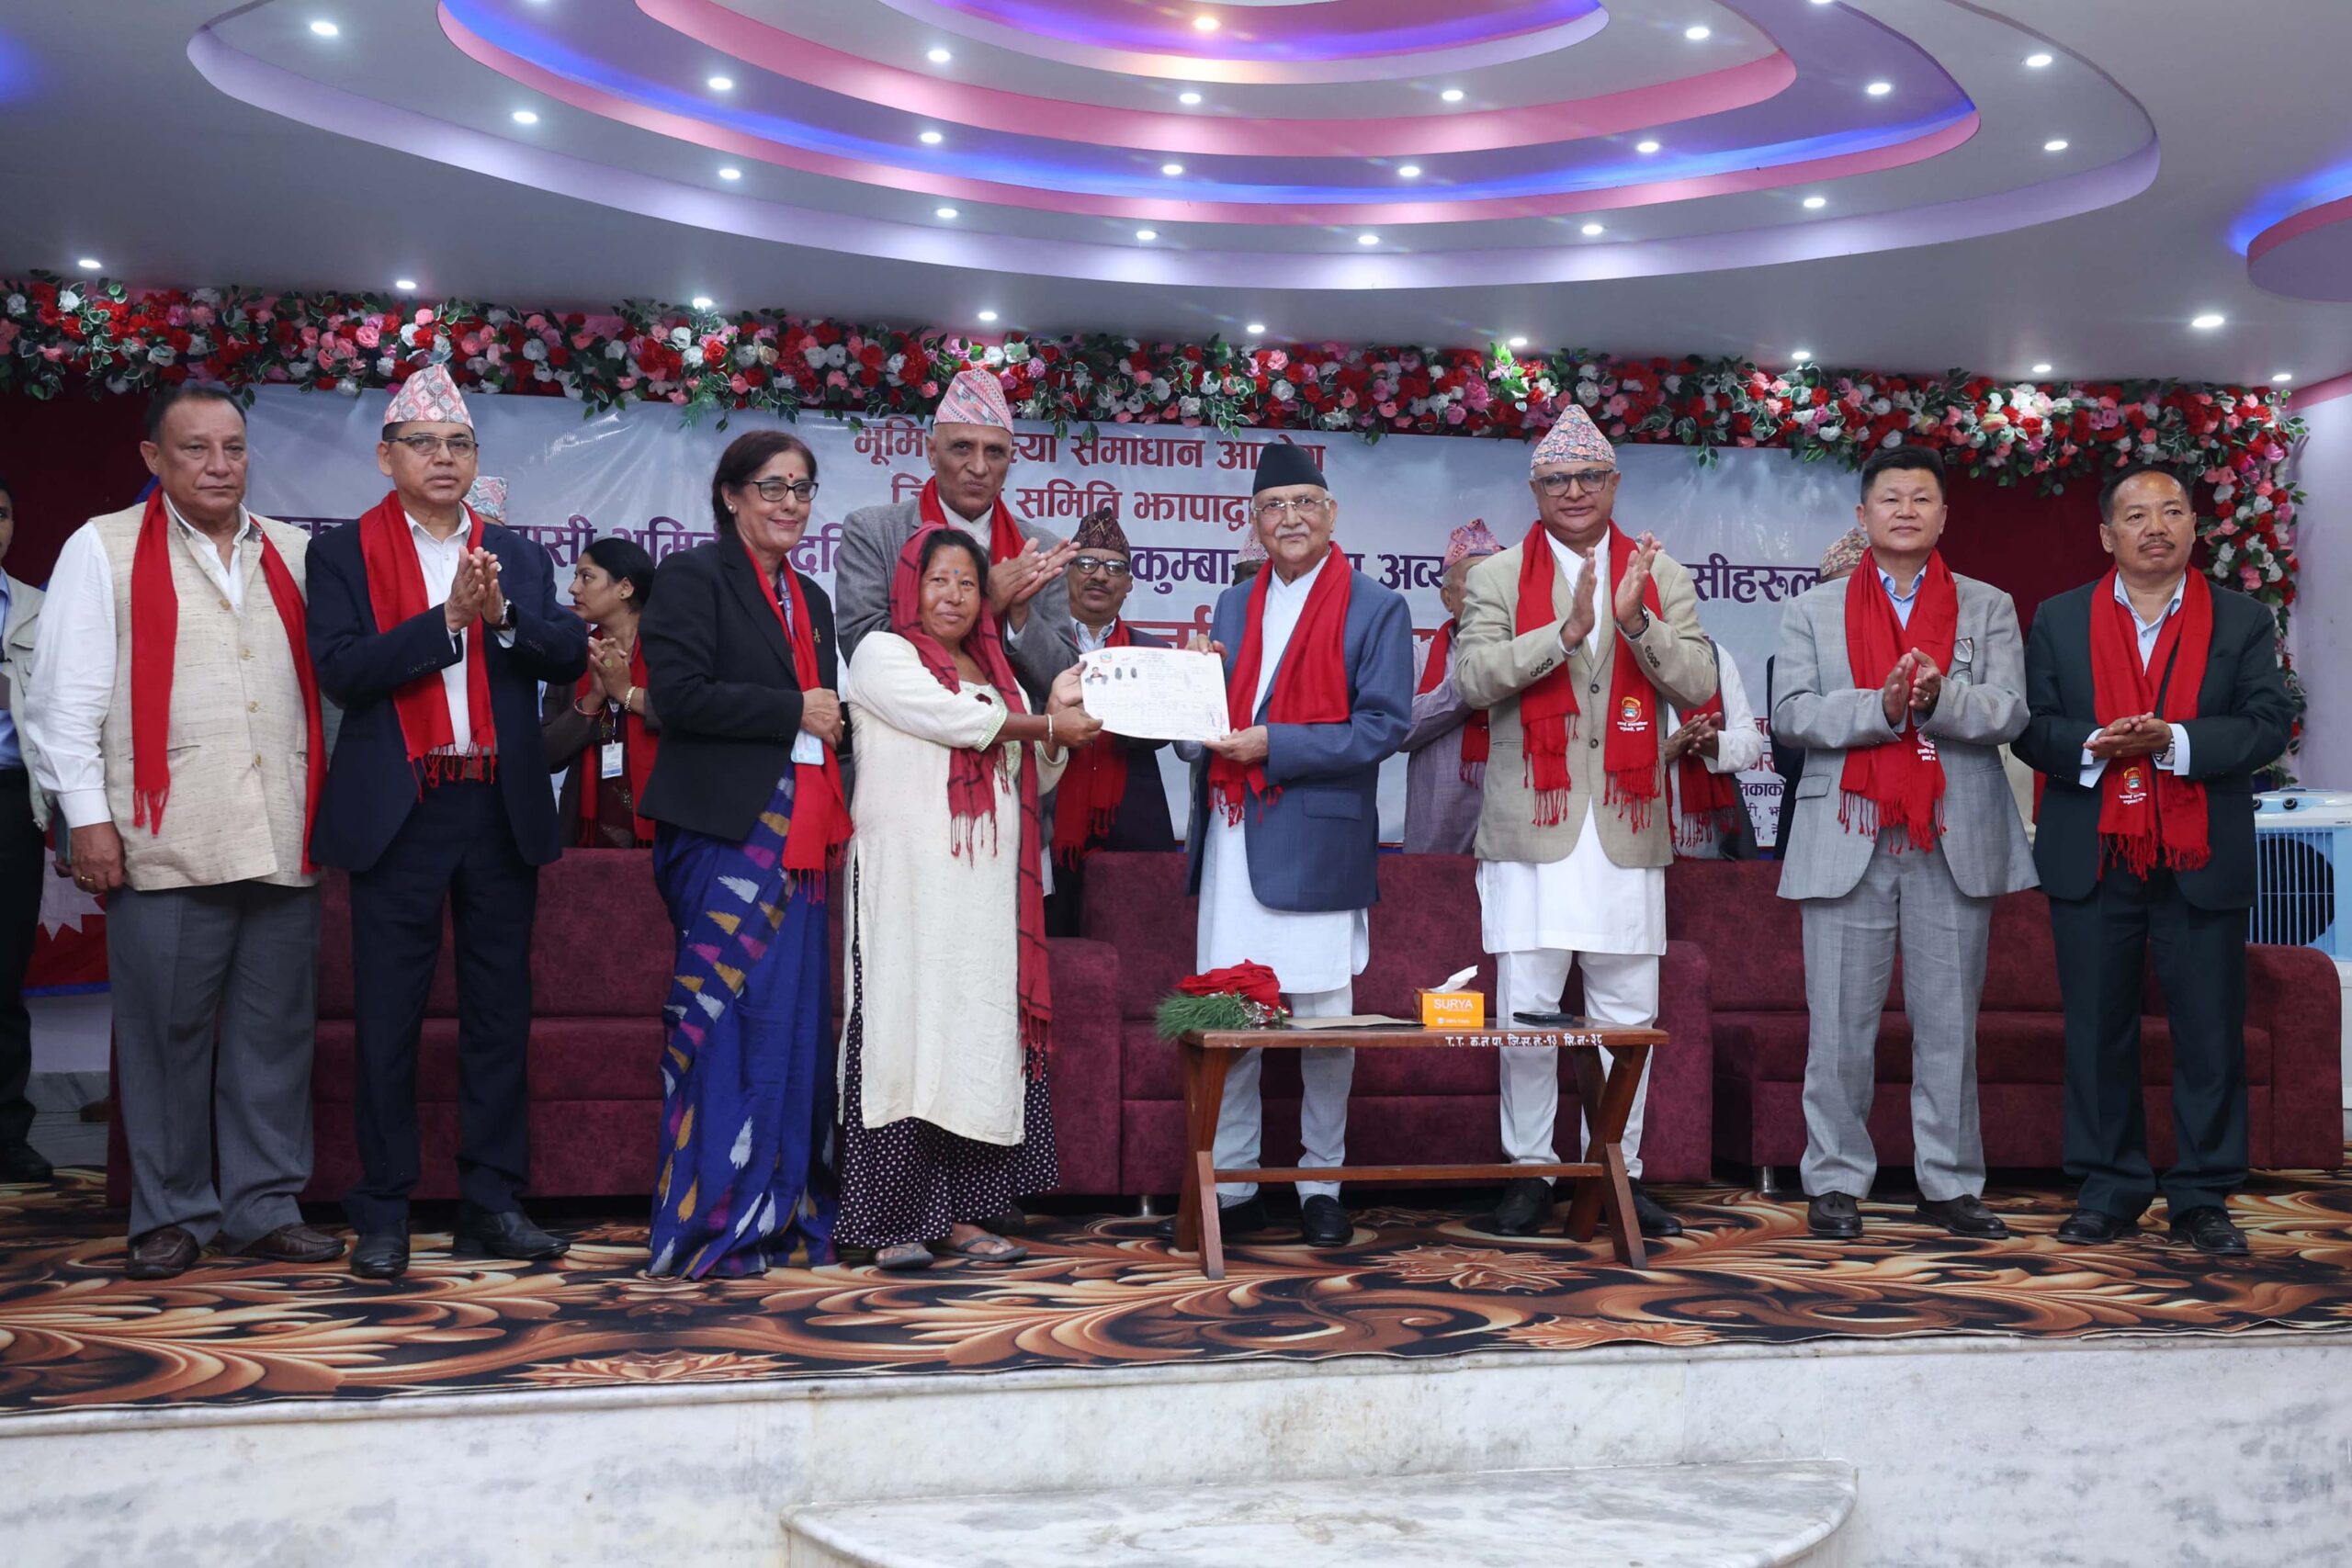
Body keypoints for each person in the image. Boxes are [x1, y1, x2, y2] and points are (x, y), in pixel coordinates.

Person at [23, 385, 340, 1275]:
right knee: (166, 1039)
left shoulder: (294, 550)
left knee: (274, 1038)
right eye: (195, 448)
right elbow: (63, 702)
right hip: (161, 836)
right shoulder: (103, 545)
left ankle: (264, 1205)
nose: (218, 465)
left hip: (283, 832)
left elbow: (333, 693)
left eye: (233, 448)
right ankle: (171, 1214)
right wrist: (89, 821)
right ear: (152, 459)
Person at [307, 365, 589, 1280]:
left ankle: (491, 1201)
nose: (442, 457)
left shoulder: (517, 554)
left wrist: (501, 618)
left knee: (499, 1014)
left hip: (497, 806)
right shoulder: (342, 553)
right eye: (423, 443)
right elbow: (343, 671)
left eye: (459, 443)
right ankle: (383, 1209)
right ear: (385, 457)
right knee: (388, 1017)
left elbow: (568, 653)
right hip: (402, 808)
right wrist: (446, 621)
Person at [1454, 405, 1718, 1241]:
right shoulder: (1499, 577)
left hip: (1626, 826)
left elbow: (1699, 682)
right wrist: (1563, 633)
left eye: (1590, 476)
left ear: (1614, 483)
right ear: (1535, 490)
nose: (1574, 490)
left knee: (1627, 1016)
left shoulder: (1660, 572)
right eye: (1558, 479)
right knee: (1526, 1014)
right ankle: (1530, 1173)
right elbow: (1472, 679)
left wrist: (1635, 620)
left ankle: (1617, 1174)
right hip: (1532, 826)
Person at [2015, 464, 2292, 1256]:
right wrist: (2095, 744)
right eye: (2137, 515)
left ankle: (2203, 1195)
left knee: (2209, 1032)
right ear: (2108, 535)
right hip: (2094, 850)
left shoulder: (2242, 619)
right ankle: (2109, 1188)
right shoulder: (2060, 618)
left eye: (2172, 511)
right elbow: (2031, 725)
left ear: (2194, 527)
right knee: (2097, 1029)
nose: (2156, 527)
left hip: (2200, 852)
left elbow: (2267, 722)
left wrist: (2176, 740)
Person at [1771, 446, 2036, 1242]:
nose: (1907, 510)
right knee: (1838, 1024)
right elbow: (1791, 713)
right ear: (1864, 515)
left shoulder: (1987, 604)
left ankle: (1949, 1183)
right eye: (1891, 498)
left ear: (1944, 516)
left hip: (1953, 833)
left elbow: (2010, 710)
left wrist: (1940, 696)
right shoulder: (1811, 609)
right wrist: (1881, 708)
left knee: (1950, 1023)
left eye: (1922, 498)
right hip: (1846, 830)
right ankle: (1835, 1179)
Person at [837, 527, 1100, 1271]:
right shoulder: (882, 653)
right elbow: (951, 719)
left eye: (966, 583)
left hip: (984, 899)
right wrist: (1044, 721)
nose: (952, 596)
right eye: (938, 580)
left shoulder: (996, 669)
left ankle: (959, 1218)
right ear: (909, 587)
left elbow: (1032, 771)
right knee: (903, 1037)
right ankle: (889, 1221)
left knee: (972, 1040)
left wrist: (1054, 717)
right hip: (906, 889)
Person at [1175, 443, 1412, 1249]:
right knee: (1231, 1018)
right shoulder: (1232, 605)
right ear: (1254, 520)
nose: (1290, 519)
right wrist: (1192, 693)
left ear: (1331, 513)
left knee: (1322, 1024)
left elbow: (1384, 726)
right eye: (1274, 506)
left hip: (1318, 845)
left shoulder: (1376, 607)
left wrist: (1274, 743)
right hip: (1234, 839)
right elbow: (1202, 731)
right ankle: (1236, 1184)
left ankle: (1321, 1185)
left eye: (1304, 502)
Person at [637, 429, 852, 1276]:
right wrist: (791, 710)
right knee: (725, 1027)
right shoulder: (693, 577)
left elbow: (829, 715)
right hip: (726, 832)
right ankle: (710, 1223)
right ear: (731, 496)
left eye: (802, 488)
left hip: (802, 839)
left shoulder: (813, 597)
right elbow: (678, 697)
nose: (790, 504)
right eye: (772, 487)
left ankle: (785, 1211)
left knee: (794, 1029)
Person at [834, 368, 1078, 703]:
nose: (979, 467)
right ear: (932, 452)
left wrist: (1020, 618)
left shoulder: (1039, 550)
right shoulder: (874, 531)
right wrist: (985, 602)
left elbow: (1064, 678)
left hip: (1018, 730)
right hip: (911, 730)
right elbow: (861, 648)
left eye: (994, 452)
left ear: (1011, 459)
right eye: (962, 447)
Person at [1046, 504, 1176, 936]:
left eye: (1114, 568)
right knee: (1054, 944)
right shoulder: (1034, 643)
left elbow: (1173, 735)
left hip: (1133, 822)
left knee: (1139, 944)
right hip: (1052, 819)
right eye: (1086, 563)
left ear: (1129, 584)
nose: (1099, 576)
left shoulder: (1154, 652)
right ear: (1066, 573)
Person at [542, 536, 661, 848]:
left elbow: (695, 714)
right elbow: (546, 754)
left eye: (586, 577)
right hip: (586, 830)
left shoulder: (671, 650)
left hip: (666, 824)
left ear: (625, 588)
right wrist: (593, 699)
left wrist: (625, 692)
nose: (573, 588)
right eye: (575, 577)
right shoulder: (571, 655)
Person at [0, 475, 51, 1184]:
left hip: (11, 802)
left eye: (4, 512)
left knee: (3, 973)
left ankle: (8, 1133)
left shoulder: (41, 606)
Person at [1402, 520, 1500, 855]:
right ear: (1448, 598)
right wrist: (1468, 683)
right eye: (1476, 581)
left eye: (1497, 581)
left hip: (1511, 835)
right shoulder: (1419, 656)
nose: (1488, 593)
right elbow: (1400, 730)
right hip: (1437, 836)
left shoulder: (1525, 654)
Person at [1770, 527, 1867, 859]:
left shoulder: (1898, 658)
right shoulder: (1784, 665)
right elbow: (1790, 758)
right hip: (1812, 823)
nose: (1846, 598)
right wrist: (1869, 720)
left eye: (1856, 586)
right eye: (1836, 587)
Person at [1666, 639, 1765, 859]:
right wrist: (1659, 753)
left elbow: (1751, 742)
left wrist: (1716, 745)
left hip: (1711, 848)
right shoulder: (1617, 659)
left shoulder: (1711, 655)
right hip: (1634, 843)